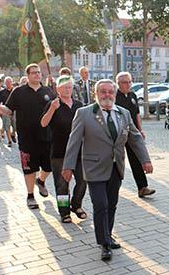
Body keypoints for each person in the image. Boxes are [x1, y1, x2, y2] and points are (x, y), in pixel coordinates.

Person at [62, 79, 153, 261]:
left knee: (111, 204)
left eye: (110, 92)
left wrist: (145, 160)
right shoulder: (84, 113)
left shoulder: (124, 114)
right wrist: (68, 166)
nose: (107, 95)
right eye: (103, 92)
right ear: (96, 94)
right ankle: (103, 243)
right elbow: (74, 142)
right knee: (101, 204)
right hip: (94, 166)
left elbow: (135, 138)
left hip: (115, 167)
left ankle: (108, 235)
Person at [0, 64, 56, 209]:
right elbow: (9, 110)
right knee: (29, 168)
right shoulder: (18, 91)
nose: (37, 75)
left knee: (49, 167)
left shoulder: (48, 91)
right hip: (26, 137)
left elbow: (56, 111)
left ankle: (41, 181)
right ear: (28, 75)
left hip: (46, 136)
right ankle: (30, 196)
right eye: (34, 73)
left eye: (39, 72)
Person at [40, 76, 88, 223]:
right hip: (60, 150)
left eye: (70, 86)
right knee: (62, 184)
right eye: (64, 87)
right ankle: (64, 211)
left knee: (83, 179)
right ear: (58, 89)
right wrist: (52, 110)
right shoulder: (53, 104)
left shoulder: (79, 105)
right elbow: (43, 123)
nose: (68, 89)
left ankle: (76, 204)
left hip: (79, 149)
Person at [115, 71, 155, 198]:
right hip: (119, 134)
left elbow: (137, 113)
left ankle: (142, 187)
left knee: (137, 159)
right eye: (124, 82)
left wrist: (140, 129)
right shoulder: (114, 96)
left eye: (129, 82)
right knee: (117, 161)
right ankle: (114, 188)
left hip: (132, 132)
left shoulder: (132, 95)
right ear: (118, 84)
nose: (128, 84)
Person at [0, 77, 17, 147]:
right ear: (5, 83)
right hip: (5, 110)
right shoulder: (2, 92)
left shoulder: (15, 91)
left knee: (15, 125)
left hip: (14, 110)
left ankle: (13, 134)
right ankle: (9, 141)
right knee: (7, 125)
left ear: (12, 82)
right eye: (7, 82)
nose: (8, 83)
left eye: (9, 82)